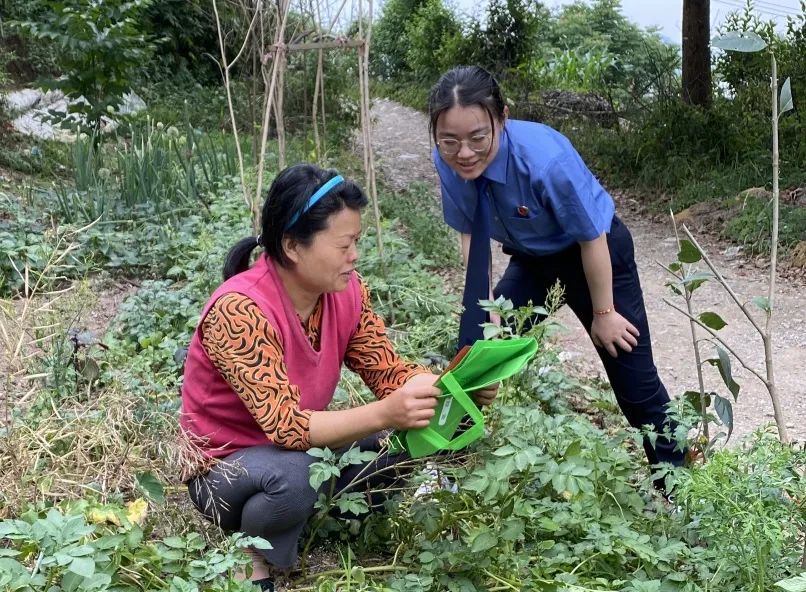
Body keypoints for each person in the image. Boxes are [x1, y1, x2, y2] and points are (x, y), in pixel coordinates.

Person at [180, 164, 498, 590]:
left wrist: (454, 387)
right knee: (295, 476)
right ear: (293, 245)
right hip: (226, 468)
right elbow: (287, 427)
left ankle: (319, 516)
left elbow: (388, 372)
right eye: (344, 244)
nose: (354, 256)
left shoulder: (344, 292)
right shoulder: (241, 309)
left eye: (357, 242)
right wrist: (387, 412)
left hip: (302, 449)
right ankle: (251, 552)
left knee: (422, 423)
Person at [427, 65, 685, 477]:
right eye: (449, 141)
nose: (464, 153)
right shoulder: (450, 163)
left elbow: (592, 237)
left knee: (635, 387)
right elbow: (470, 235)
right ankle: (452, 469)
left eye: (478, 137)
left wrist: (604, 314)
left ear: (502, 117)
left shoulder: (545, 161)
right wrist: (487, 304)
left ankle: (682, 485)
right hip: (534, 260)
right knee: (475, 349)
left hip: (594, 255)